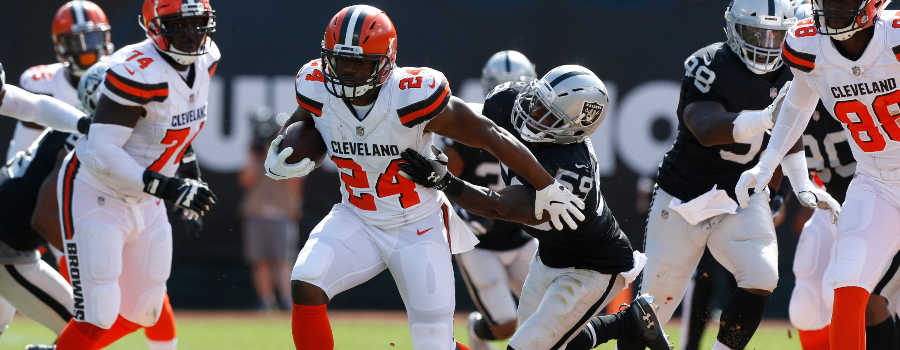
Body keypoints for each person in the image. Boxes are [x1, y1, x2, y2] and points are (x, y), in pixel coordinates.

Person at [264, 5, 585, 350]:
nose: (348, 71)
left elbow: (489, 133)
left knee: (434, 345)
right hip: (356, 216)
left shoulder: (409, 96)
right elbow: (303, 126)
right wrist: (280, 151)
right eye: (341, 61)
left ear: (386, 62)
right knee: (306, 280)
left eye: (360, 62)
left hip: (417, 226)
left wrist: (545, 184)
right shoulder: (316, 86)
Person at [398, 65, 673, 350]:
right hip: (549, 254)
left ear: (572, 129)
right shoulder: (510, 100)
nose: (532, 113)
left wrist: (446, 182)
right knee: (550, 341)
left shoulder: (570, 171)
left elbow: (500, 207)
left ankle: (629, 322)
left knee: (528, 347)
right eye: (537, 100)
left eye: (547, 114)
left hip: (592, 267)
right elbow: (469, 120)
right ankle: (631, 322)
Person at [617, 1, 837, 349]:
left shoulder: (792, 69)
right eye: (755, 33)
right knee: (653, 306)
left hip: (741, 197)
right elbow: (705, 128)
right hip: (684, 195)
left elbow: (787, 137)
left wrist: (799, 183)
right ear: (733, 28)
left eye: (775, 35)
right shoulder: (710, 63)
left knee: (762, 276)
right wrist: (765, 117)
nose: (765, 44)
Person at [45, 0, 219, 348]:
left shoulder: (208, 58)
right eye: (178, 25)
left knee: (147, 310)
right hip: (98, 189)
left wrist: (190, 177)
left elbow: (176, 130)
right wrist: (170, 187)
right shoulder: (136, 71)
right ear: (154, 26)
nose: (190, 34)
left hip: (147, 195)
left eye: (197, 22)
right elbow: (101, 151)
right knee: (98, 313)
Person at [737, 0, 900, 348]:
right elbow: (797, 104)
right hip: (877, 183)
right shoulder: (807, 44)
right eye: (827, 1)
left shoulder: (894, 36)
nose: (833, 9)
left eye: (842, 1)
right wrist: (767, 164)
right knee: (846, 279)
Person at [441, 50, 538, 350]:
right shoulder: (469, 128)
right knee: (505, 325)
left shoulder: (537, 131)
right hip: (478, 242)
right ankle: (478, 330)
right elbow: (445, 183)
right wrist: (461, 214)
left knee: (547, 313)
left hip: (521, 236)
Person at [8, 0, 113, 160]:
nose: (86, 51)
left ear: (105, 37)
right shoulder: (43, 84)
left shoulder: (122, 74)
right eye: (76, 42)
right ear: (60, 46)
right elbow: (20, 156)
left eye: (92, 39)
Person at [239, 108, 303, 311]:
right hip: (257, 213)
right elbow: (246, 180)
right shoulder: (257, 157)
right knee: (260, 261)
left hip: (282, 213)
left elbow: (295, 183)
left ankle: (287, 300)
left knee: (283, 260)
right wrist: (254, 152)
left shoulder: (288, 156)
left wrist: (279, 154)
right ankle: (266, 301)